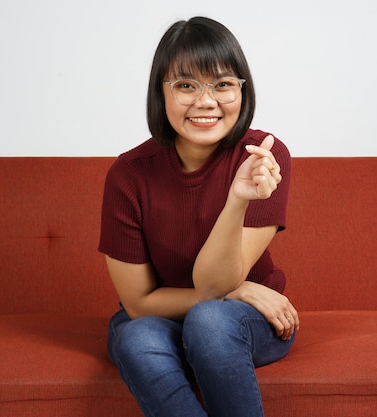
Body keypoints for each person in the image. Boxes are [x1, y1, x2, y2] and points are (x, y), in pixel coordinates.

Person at [98, 16, 299, 417]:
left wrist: (238, 198)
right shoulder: (129, 175)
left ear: (242, 90)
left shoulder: (262, 158)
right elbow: (138, 304)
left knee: (209, 320)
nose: (205, 102)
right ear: (162, 93)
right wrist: (236, 289)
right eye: (186, 85)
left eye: (223, 85)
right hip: (160, 317)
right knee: (136, 337)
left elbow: (214, 288)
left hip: (246, 322)